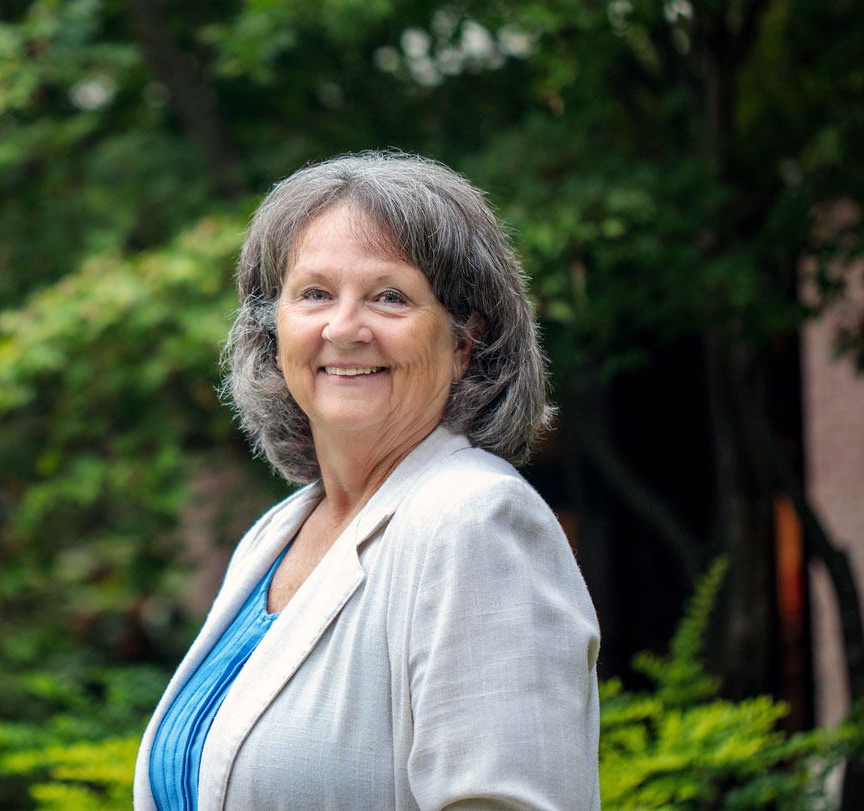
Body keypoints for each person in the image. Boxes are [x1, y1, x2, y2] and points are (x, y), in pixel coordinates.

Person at [133, 152, 601, 810]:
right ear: (274, 331)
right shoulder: (276, 534)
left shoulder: (477, 519)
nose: (344, 328)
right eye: (315, 293)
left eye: (390, 296)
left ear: (464, 341)